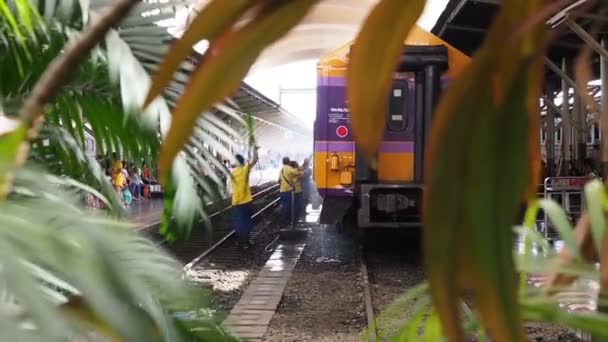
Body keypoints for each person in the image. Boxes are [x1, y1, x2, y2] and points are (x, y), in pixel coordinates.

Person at [232, 146, 259, 249]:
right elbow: (255, 160)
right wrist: (255, 150)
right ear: (242, 162)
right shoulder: (244, 170)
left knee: (239, 223)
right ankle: (246, 241)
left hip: (236, 201)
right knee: (247, 222)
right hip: (245, 201)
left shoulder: (233, 172)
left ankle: (240, 242)